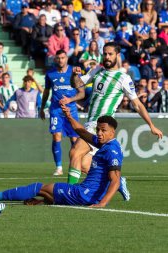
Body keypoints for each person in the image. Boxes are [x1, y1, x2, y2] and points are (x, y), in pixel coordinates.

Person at [67, 42, 163, 200]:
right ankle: (117, 181)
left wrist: (151, 125)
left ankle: (69, 194)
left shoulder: (123, 78)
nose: (107, 57)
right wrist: (74, 75)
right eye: (104, 53)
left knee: (75, 152)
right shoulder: (97, 70)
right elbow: (77, 84)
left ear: (117, 55)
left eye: (110, 54)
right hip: (90, 123)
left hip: (101, 125)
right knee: (85, 164)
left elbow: (137, 104)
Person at [0, 113, 123, 208]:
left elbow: (115, 179)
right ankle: (42, 201)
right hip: (87, 194)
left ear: (112, 132)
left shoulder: (112, 150)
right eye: (98, 129)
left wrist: (103, 203)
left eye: (103, 130)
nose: (99, 133)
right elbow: (82, 132)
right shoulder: (104, 143)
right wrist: (68, 116)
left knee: (38, 187)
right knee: (47, 192)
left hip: (84, 195)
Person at [40, 50, 85, 176]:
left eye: (63, 58)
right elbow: (46, 91)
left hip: (71, 110)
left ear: (67, 58)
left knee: (74, 139)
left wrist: (70, 99)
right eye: (58, 58)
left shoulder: (74, 72)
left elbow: (82, 93)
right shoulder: (50, 74)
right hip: (56, 110)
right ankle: (59, 168)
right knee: (56, 136)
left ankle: (75, 166)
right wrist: (42, 107)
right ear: (55, 59)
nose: (61, 60)